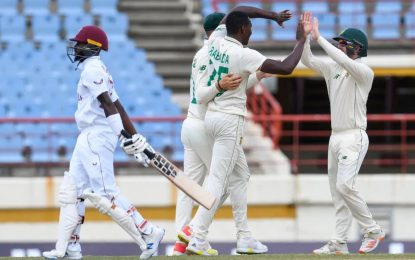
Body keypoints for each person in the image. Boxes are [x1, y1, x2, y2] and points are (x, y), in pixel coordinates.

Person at [181, 10, 312, 255]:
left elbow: (236, 11)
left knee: (241, 176)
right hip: (230, 122)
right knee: (219, 181)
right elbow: (286, 67)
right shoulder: (243, 54)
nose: (251, 31)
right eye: (250, 27)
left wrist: (273, 17)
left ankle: (244, 237)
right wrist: (301, 40)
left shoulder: (214, 42)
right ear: (242, 30)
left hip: (211, 117)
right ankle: (196, 234)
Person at [42, 25, 164, 260]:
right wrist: (135, 137)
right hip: (87, 135)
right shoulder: (98, 69)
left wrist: (122, 136)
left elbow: (109, 106)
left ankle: (149, 232)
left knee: (106, 194)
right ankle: (70, 248)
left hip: (97, 135)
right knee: (72, 192)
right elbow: (118, 105)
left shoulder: (93, 69)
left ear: (91, 46)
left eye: (79, 43)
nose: (75, 47)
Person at [174, 10, 277, 256]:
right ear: (220, 31)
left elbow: (224, 86)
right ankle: (196, 233)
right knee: (224, 181)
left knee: (190, 187)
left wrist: (257, 77)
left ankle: (180, 244)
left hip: (189, 123)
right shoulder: (216, 52)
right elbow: (216, 90)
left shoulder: (202, 53)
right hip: (204, 123)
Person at [300, 17, 385, 254]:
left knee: (345, 185)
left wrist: (319, 38)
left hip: (354, 136)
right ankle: (339, 242)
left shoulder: (364, 72)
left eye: (344, 43)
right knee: (338, 193)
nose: (339, 46)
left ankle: (373, 230)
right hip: (335, 137)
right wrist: (306, 38)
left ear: (356, 48)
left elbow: (339, 58)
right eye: (338, 43)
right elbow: (308, 60)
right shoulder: (333, 68)